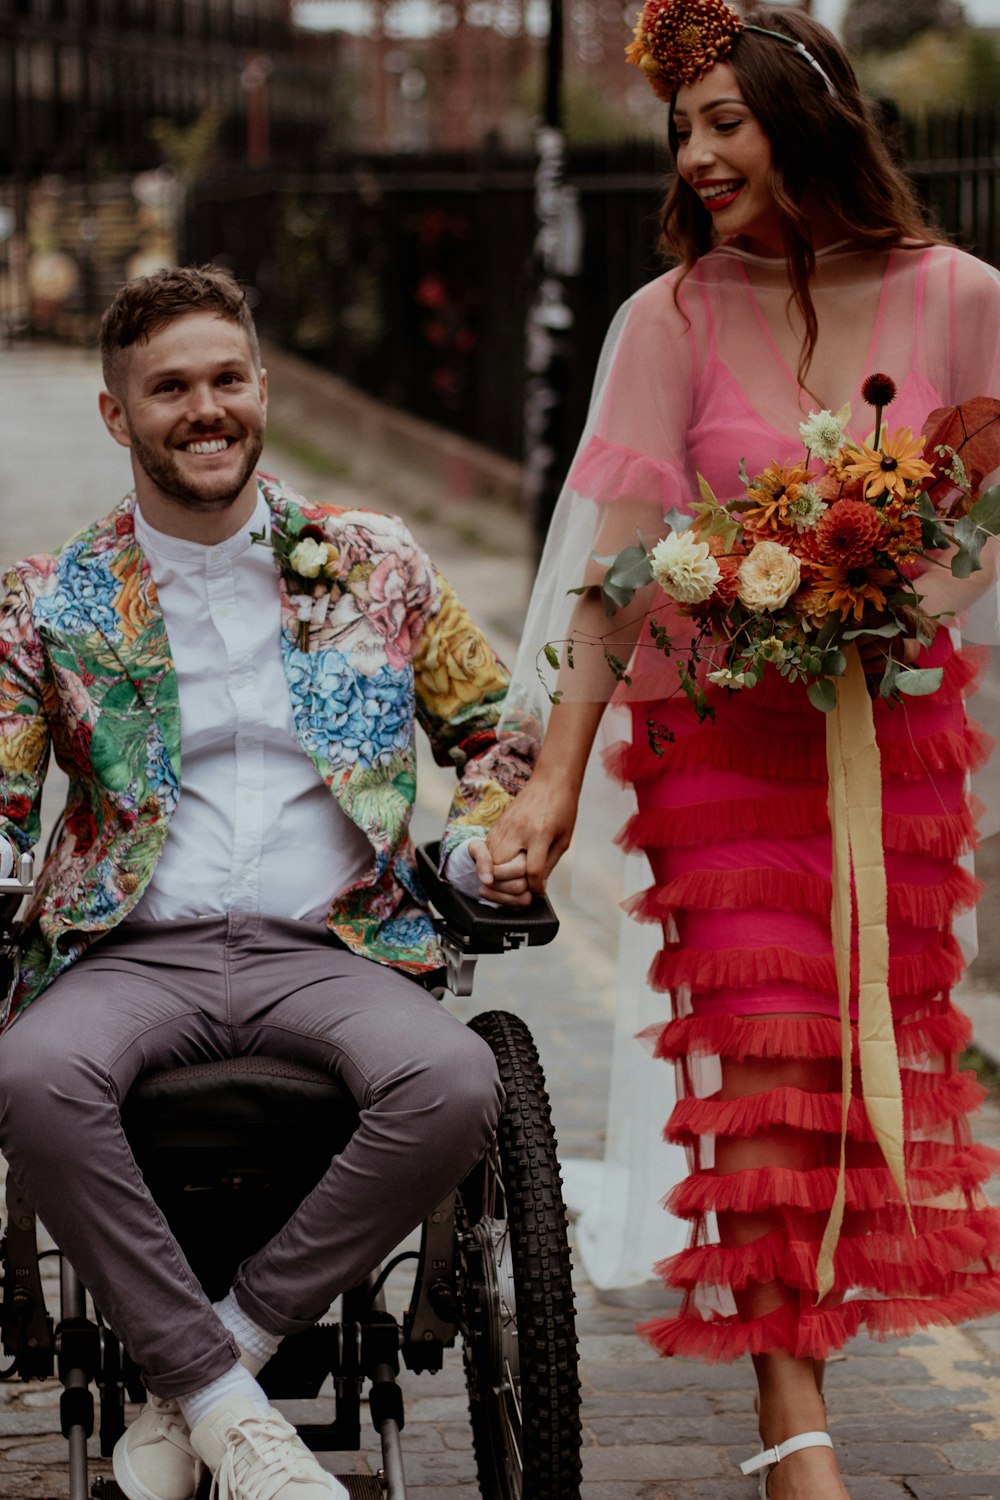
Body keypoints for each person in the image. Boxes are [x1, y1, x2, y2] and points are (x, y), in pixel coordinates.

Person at [487, 4, 1000, 1497]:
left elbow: (981, 512)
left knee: (850, 1067)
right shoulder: (671, 318)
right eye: (682, 130)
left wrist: (910, 572)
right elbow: (617, 571)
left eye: (726, 119)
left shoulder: (963, 295)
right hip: (713, 736)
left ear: (806, 112)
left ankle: (805, 1371)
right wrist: (562, 776)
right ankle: (796, 1432)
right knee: (767, 1048)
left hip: (892, 743)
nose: (699, 153)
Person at [0, 264, 534, 1500]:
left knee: (455, 1084)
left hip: (330, 945)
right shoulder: (49, 597)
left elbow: (495, 731)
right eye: (169, 387)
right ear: (115, 413)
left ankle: (207, 1377)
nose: (204, 409)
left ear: (261, 389)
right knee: (26, 1074)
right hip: (135, 947)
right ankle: (233, 1416)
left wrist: (475, 843)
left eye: (226, 379)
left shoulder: (376, 565)